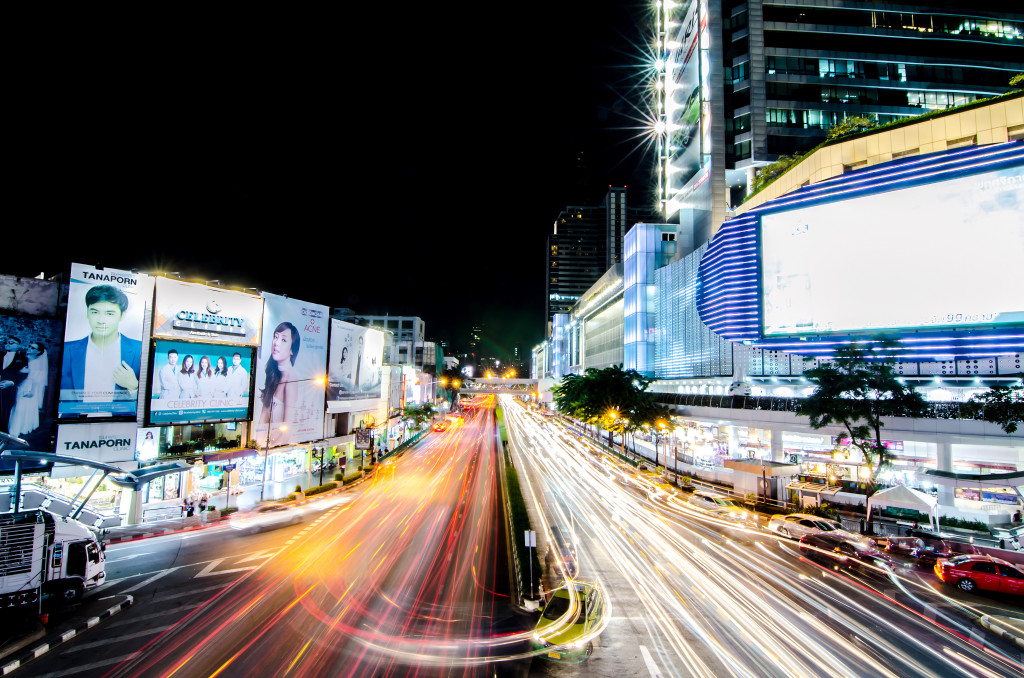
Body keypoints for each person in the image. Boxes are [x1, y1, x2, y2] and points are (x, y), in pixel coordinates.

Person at [59, 284, 142, 404]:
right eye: (95, 312)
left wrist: (134, 387)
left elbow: (150, 400)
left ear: (122, 315)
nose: (101, 320)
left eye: (109, 314)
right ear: (87, 312)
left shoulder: (139, 349)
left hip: (121, 420)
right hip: (75, 419)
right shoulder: (68, 350)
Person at [259, 322, 300, 432]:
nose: (276, 343)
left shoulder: (291, 379)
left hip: (278, 445)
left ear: (292, 350)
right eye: (276, 337)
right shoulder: (273, 374)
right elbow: (262, 420)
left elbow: (286, 430)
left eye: (283, 340)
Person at [9, 341, 48, 438]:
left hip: (29, 388)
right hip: (21, 385)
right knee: (17, 406)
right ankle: (17, 428)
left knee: (21, 407)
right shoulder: (25, 360)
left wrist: (32, 391)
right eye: (29, 346)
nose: (29, 348)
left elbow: (37, 379)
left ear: (38, 352)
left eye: (33, 348)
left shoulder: (37, 363)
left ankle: (17, 430)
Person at [0, 336, 28, 433]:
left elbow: (24, 374)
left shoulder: (22, 359)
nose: (8, 344)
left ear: (18, 345)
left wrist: (12, 382)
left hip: (9, 389)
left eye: (11, 342)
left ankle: (3, 434)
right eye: (7, 342)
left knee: (5, 411)